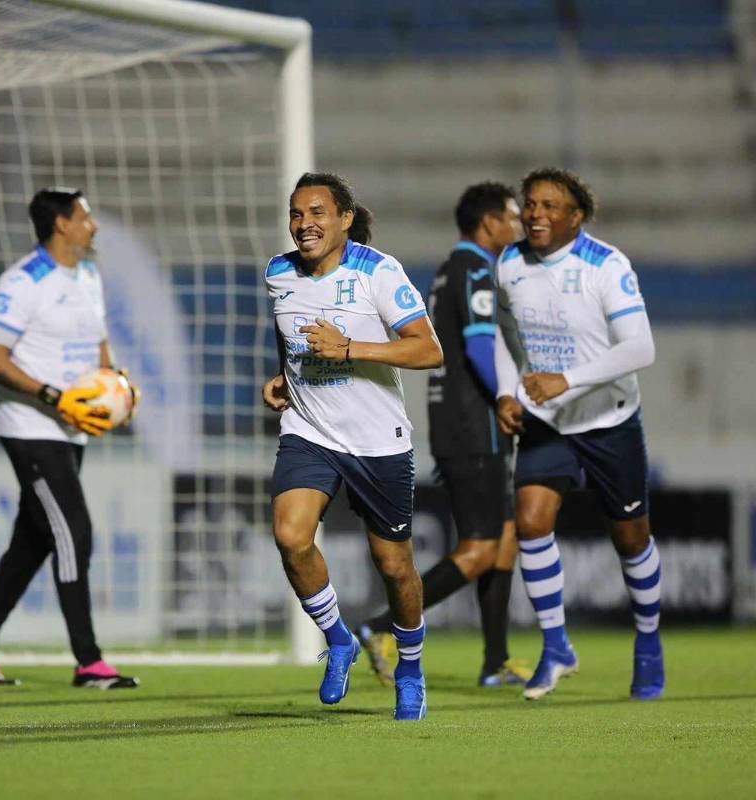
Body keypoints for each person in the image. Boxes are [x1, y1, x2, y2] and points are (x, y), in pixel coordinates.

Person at [262, 172, 443, 721]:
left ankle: (409, 668)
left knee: (394, 566)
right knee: (290, 536)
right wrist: (282, 375)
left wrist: (350, 350)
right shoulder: (278, 272)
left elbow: (428, 351)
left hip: (376, 440)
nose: (304, 224)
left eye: (317, 213)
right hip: (310, 432)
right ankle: (338, 639)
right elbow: (287, 334)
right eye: (296, 214)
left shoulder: (378, 271)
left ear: (344, 218)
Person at [0, 187, 140, 690]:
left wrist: (116, 388)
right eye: (86, 217)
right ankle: (90, 662)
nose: (93, 226)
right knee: (73, 531)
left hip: (71, 432)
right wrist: (52, 396)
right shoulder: (23, 282)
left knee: (30, 543)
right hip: (30, 428)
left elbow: (98, 344)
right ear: (61, 224)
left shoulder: (89, 276)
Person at [493, 167, 664, 701]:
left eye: (549, 206)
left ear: (576, 217)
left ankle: (649, 641)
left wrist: (565, 380)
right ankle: (557, 645)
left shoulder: (605, 265)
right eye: (531, 204)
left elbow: (641, 349)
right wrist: (505, 390)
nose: (536, 214)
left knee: (631, 538)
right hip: (548, 421)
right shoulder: (510, 262)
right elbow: (502, 330)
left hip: (609, 418)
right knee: (530, 522)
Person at [357, 182, 530, 688]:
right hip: (473, 423)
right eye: (511, 217)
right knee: (479, 547)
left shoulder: (451, 270)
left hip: (462, 421)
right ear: (488, 223)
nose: (517, 226)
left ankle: (495, 661)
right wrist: (502, 397)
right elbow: (479, 348)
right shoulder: (475, 268)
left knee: (505, 541)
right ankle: (380, 627)